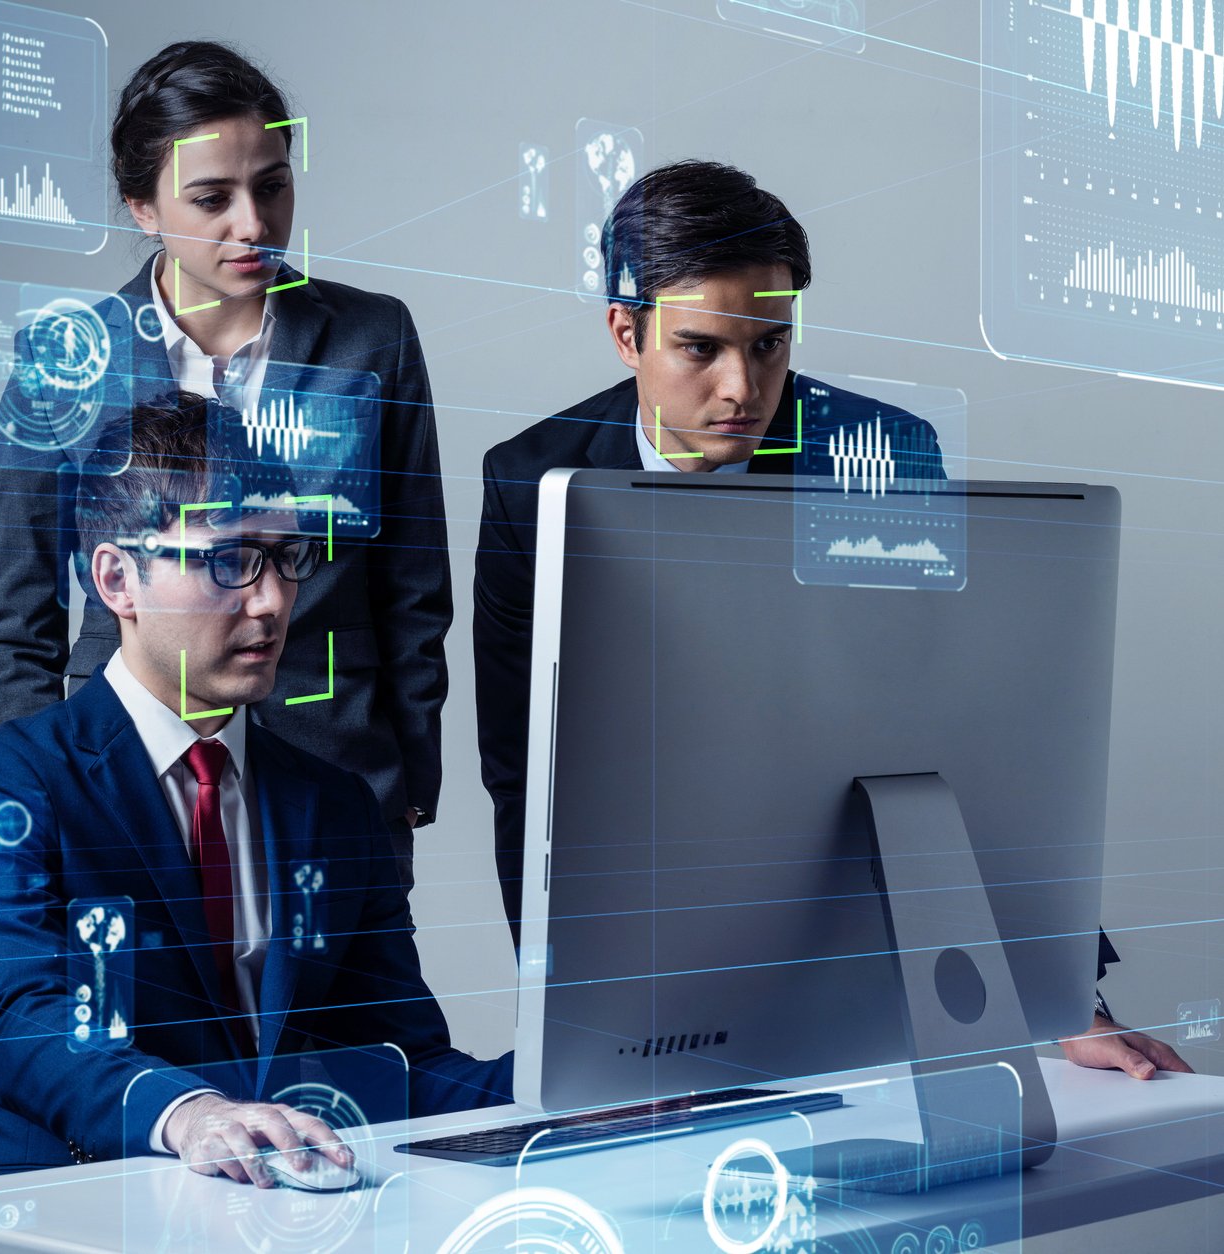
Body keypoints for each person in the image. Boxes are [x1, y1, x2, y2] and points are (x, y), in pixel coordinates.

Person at [471, 158, 1186, 1079]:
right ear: (625, 332)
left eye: (770, 344)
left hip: (848, 920)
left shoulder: (880, 458)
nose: (743, 388)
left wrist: (1058, 995)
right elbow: (525, 773)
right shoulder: (528, 481)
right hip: (652, 923)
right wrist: (565, 1013)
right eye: (702, 348)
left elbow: (963, 731)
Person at [0, 393, 509, 1183]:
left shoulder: (333, 806)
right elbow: (12, 1023)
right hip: (80, 1204)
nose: (271, 602)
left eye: (286, 558)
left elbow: (402, 1062)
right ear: (118, 579)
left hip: (279, 1209)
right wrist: (191, 1115)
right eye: (230, 560)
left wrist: (575, 1081)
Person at [0, 40, 453, 841]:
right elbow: (16, 617)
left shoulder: (374, 338)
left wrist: (409, 781)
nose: (254, 225)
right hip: (119, 784)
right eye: (211, 199)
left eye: (271, 187)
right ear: (142, 207)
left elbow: (412, 587)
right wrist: (35, 796)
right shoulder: (63, 367)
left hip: (338, 774)